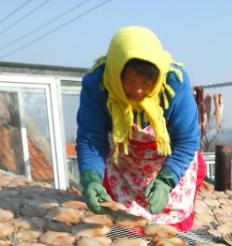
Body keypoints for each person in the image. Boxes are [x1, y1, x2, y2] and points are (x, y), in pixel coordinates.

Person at [75, 26, 204, 231]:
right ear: (116, 72)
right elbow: (91, 139)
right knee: (124, 227)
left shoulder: (174, 83)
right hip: (124, 163)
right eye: (129, 81)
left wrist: (166, 182)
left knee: (169, 233)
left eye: (146, 82)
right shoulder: (98, 83)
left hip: (171, 162)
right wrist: (92, 180)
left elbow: (186, 141)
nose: (138, 90)